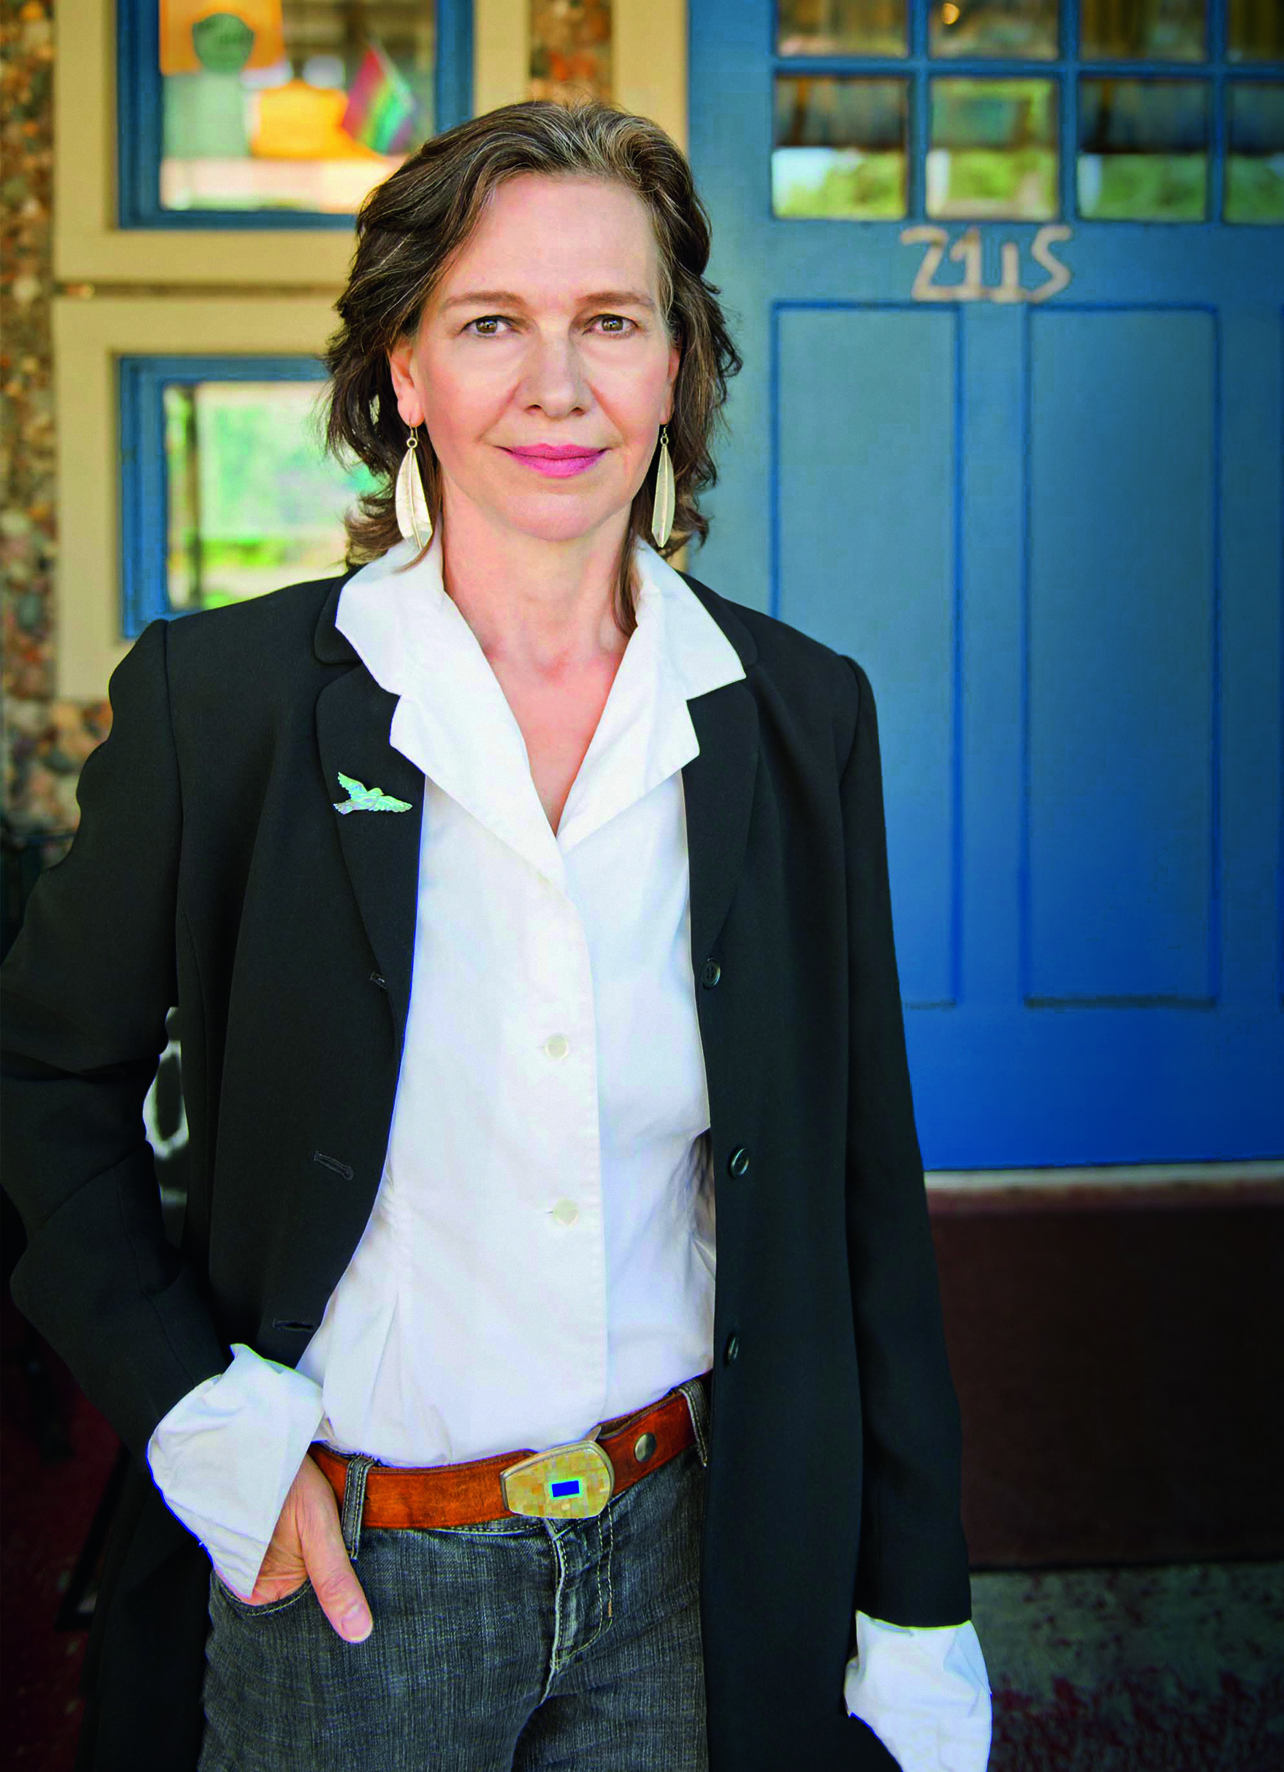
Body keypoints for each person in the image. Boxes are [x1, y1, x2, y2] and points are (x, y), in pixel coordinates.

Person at [1, 99, 991, 1772]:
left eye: (610, 321)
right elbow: (40, 1087)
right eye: (488, 324)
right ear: (402, 369)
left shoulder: (797, 715)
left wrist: (916, 1604)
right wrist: (200, 1414)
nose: (557, 385)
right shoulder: (220, 706)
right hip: (347, 1582)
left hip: (688, 1564)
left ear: (675, 365)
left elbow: (858, 1185)